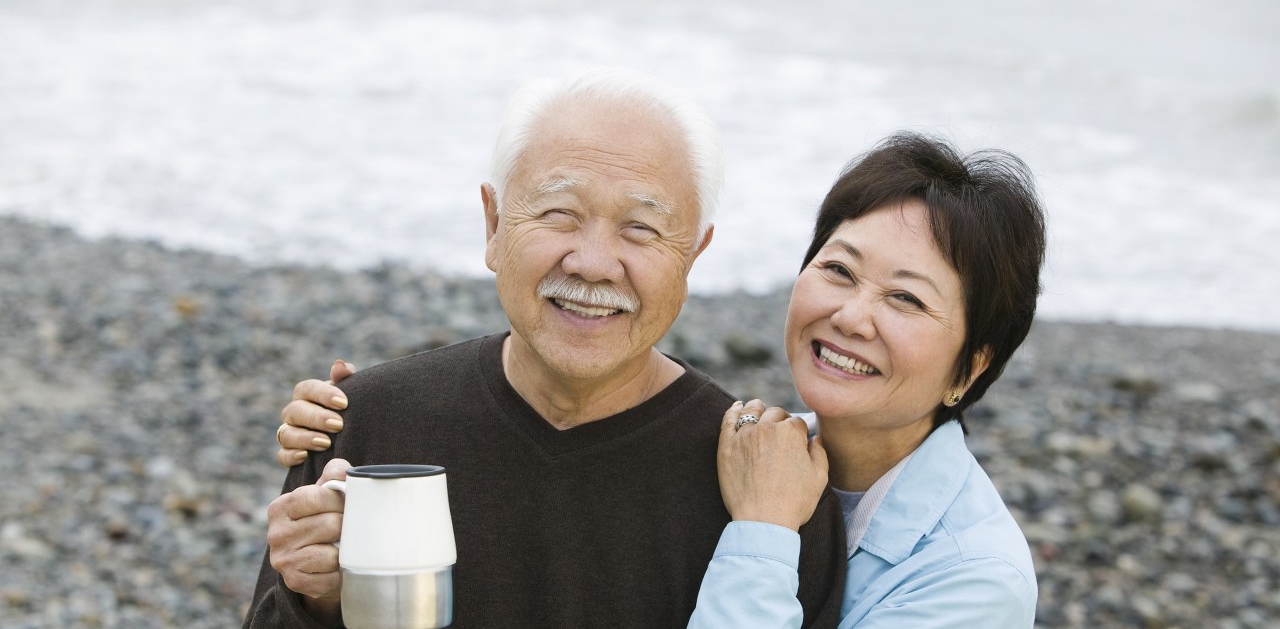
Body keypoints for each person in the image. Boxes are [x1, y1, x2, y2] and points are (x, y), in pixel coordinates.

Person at [281, 132, 1046, 627]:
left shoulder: (973, 579)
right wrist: (361, 419)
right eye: (838, 271)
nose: (851, 316)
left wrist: (764, 535)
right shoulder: (768, 452)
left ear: (972, 365)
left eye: (906, 299)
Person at [242, 69, 846, 629]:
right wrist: (316, 600)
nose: (592, 263)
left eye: (641, 227)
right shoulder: (366, 427)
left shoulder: (767, 489)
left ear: (694, 254)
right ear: (494, 224)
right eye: (560, 213)